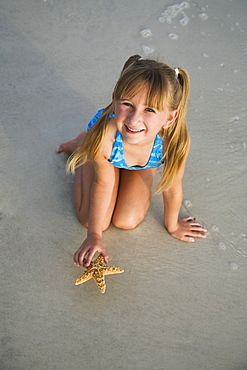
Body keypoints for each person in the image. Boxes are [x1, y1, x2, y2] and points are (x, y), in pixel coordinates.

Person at [57, 54, 207, 268]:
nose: (134, 118)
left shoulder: (174, 141)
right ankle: (83, 145)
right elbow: (103, 184)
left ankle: (123, 163)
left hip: (140, 163)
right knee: (90, 221)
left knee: (126, 221)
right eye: (127, 104)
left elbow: (173, 187)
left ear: (170, 118)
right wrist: (94, 235)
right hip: (105, 156)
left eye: (149, 110)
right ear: (114, 99)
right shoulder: (105, 136)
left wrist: (172, 225)